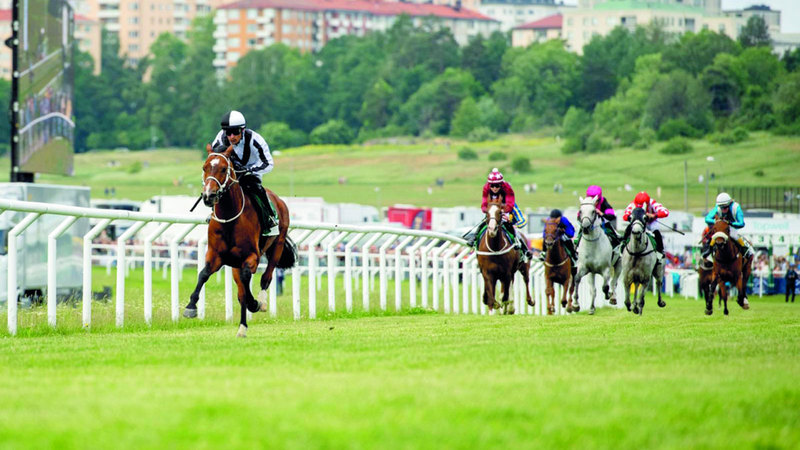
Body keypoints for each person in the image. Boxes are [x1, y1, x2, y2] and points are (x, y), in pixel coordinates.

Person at [210, 110, 276, 232]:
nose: (232, 137)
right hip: (230, 172)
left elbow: (268, 163)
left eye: (235, 132)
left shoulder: (255, 140)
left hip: (250, 173)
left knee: (257, 188)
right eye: (228, 133)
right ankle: (213, 214)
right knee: (216, 187)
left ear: (243, 130)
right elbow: (215, 160)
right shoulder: (220, 138)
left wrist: (249, 169)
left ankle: (269, 217)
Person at [463, 168, 532, 260]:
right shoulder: (486, 188)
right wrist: (488, 211)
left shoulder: (507, 189)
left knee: (513, 230)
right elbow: (483, 205)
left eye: (497, 186)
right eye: (492, 186)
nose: (494, 188)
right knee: (484, 223)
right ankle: (474, 239)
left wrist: (508, 218)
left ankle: (524, 249)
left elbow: (510, 205)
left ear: (501, 184)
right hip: (492, 212)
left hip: (505, 211)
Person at [701, 192, 754, 261]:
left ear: (730, 203)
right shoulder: (717, 207)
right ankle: (709, 250)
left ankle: (746, 251)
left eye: (725, 207)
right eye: (721, 207)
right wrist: (716, 222)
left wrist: (730, 223)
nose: (723, 210)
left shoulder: (736, 207)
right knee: (715, 236)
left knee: (734, 236)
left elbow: (741, 223)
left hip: (732, 227)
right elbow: (707, 218)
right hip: (721, 227)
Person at [621, 191, 669, 260]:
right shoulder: (632, 204)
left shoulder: (652, 203)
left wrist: (654, 215)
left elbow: (665, 212)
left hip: (650, 223)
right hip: (639, 223)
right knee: (629, 228)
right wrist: (629, 217)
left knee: (656, 231)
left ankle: (660, 251)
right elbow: (625, 216)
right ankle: (623, 244)